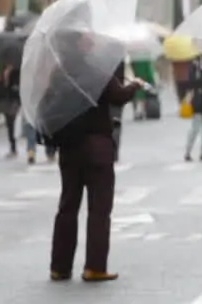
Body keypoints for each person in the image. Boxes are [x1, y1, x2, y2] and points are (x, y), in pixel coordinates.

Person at [48, 45, 142, 282]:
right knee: (99, 209)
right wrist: (135, 86)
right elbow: (118, 96)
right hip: (96, 148)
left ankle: (60, 266)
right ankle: (94, 267)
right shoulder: (95, 70)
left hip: (69, 147)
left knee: (67, 207)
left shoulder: (59, 73)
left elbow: (48, 103)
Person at [0, 60, 22, 158]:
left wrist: (14, 84)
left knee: (12, 122)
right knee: (8, 124)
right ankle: (12, 146)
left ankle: (13, 147)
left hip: (14, 100)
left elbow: (19, 84)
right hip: (5, 100)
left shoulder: (17, 71)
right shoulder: (3, 71)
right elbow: (1, 86)